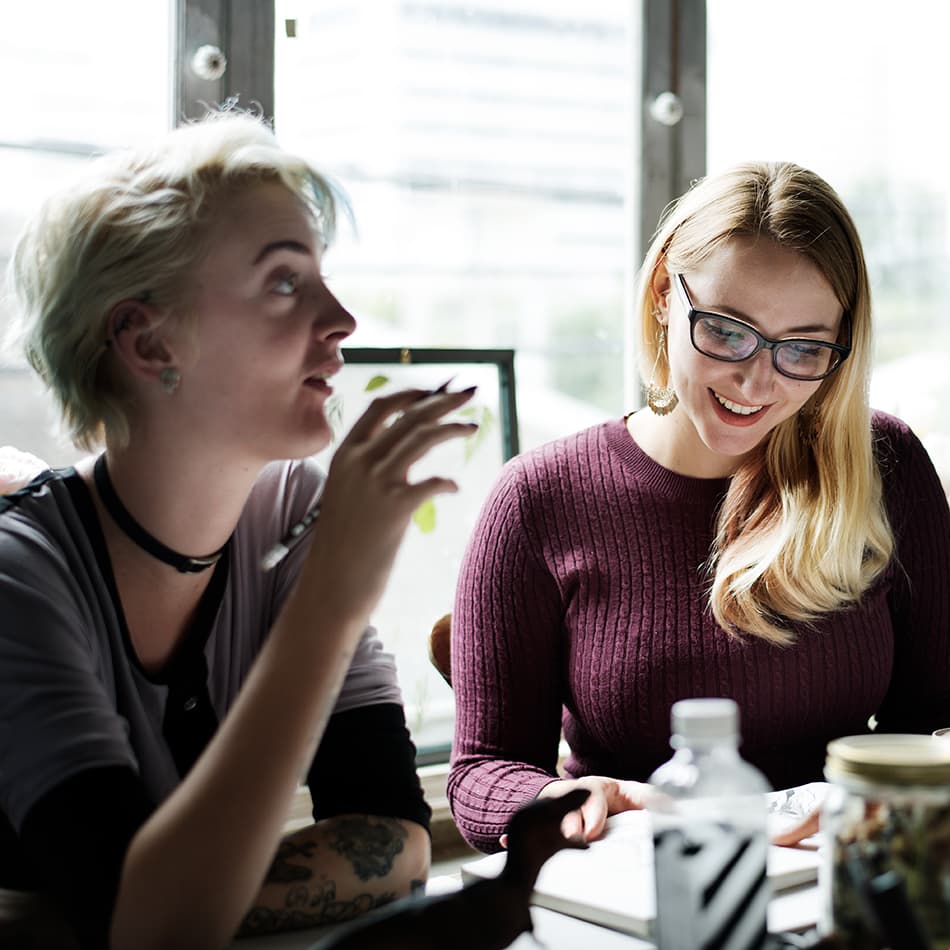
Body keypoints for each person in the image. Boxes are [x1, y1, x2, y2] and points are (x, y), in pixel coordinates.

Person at [0, 111, 477, 949]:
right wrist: (334, 596)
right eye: (286, 283)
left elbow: (395, 841)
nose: (342, 321)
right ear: (149, 342)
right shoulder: (18, 580)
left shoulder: (294, 509)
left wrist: (158, 899)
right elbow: (147, 933)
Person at [447, 160, 950, 854]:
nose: (755, 380)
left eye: (802, 347)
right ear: (662, 295)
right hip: (642, 882)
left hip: (839, 882)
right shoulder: (538, 499)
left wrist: (871, 801)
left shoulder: (884, 468)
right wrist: (564, 801)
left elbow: (936, 721)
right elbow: (481, 773)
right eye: (725, 330)